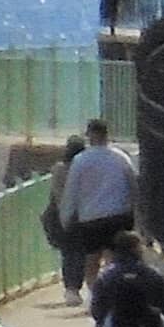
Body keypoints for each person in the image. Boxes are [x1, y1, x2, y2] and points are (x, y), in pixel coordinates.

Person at [59, 118, 138, 280]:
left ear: (89, 135)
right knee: (116, 257)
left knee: (92, 259)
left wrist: (66, 218)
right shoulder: (121, 157)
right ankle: (115, 286)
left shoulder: (80, 160)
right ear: (106, 134)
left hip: (91, 217)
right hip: (119, 214)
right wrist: (136, 212)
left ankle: (95, 291)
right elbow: (133, 185)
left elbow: (72, 191)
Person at [43, 133, 88, 299]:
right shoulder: (85, 169)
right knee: (81, 252)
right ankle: (77, 286)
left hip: (62, 215)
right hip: (83, 215)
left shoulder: (59, 169)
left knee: (67, 253)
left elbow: (57, 193)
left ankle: (70, 288)